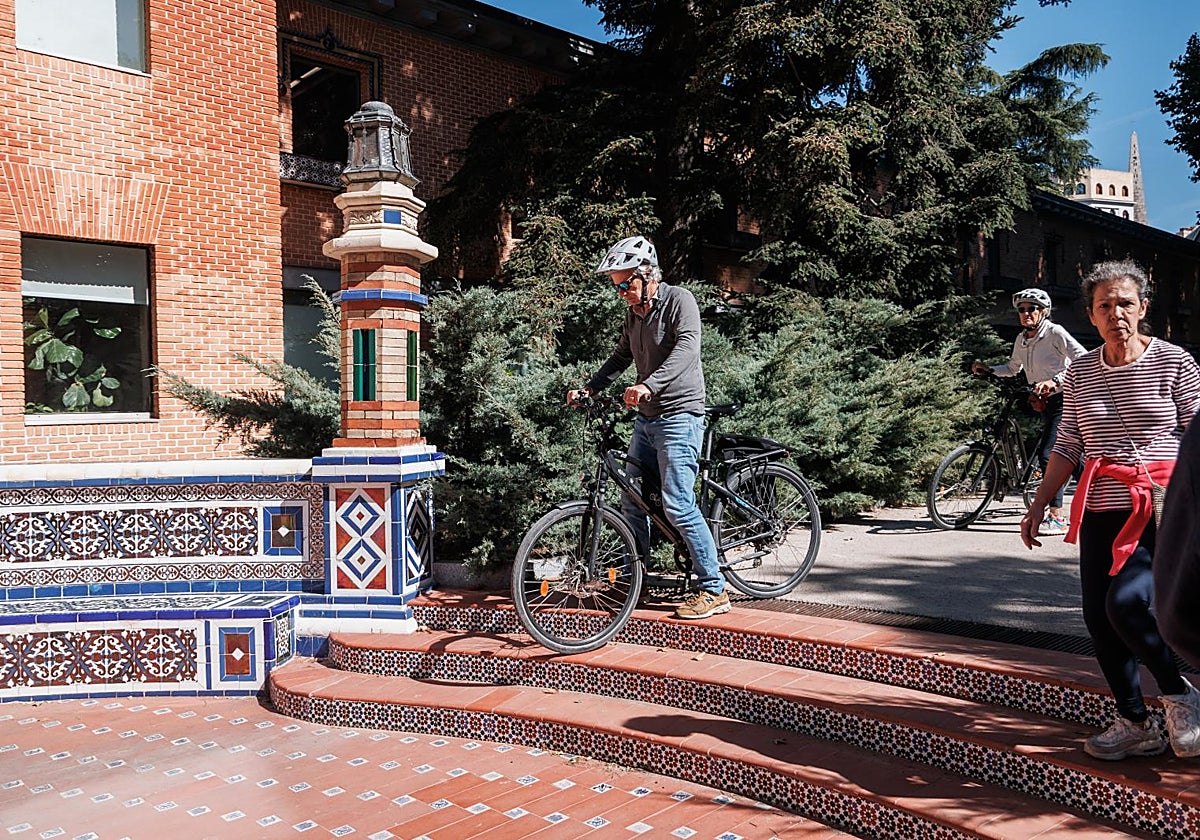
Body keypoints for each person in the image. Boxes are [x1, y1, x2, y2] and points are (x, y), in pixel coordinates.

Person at [1022, 259, 1200, 761]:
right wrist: (1039, 504)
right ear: (1091, 315)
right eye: (1105, 305)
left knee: (1125, 603)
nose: (1115, 313)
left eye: (1125, 303)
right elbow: (1069, 443)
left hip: (1163, 506)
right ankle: (1135, 722)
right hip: (1102, 506)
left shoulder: (1175, 362)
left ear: (1143, 308)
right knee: (1099, 619)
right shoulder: (1080, 373)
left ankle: (1181, 696)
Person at [567, 235, 727, 621]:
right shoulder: (634, 314)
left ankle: (714, 588)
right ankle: (635, 580)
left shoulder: (680, 301)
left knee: (677, 503)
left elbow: (686, 350)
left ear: (648, 275)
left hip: (680, 415)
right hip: (648, 418)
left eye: (626, 284)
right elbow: (621, 357)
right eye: (616, 287)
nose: (621, 292)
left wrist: (648, 385)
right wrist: (590, 388)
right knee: (633, 500)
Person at [973, 288, 1085, 535]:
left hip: (1067, 398)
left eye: (1032, 308)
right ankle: (1101, 492)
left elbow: (1083, 359)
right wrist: (989, 369)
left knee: (1049, 455)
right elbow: (1013, 368)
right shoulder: (1022, 339)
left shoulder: (1055, 333)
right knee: (1070, 455)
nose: (1026, 313)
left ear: (1043, 312)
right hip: (1045, 400)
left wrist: (1056, 380)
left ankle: (1057, 517)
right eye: (1022, 309)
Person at [1152, 410, 1200, 672]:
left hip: (1153, 488)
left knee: (1121, 606)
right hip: (1102, 501)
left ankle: (1175, 688)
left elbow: (1178, 615)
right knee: (1102, 614)